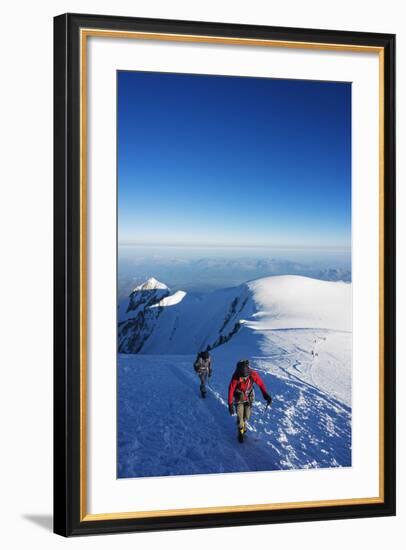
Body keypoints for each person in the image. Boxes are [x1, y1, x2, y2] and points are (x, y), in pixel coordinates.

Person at [228, 359, 272, 442]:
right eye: (242, 377)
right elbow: (231, 390)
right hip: (239, 398)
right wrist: (230, 404)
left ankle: (243, 425)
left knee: (246, 416)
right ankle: (240, 432)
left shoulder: (253, 374)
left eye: (245, 377)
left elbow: (261, 384)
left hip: (249, 398)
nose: (244, 378)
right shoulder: (236, 376)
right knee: (240, 418)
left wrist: (266, 395)